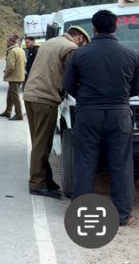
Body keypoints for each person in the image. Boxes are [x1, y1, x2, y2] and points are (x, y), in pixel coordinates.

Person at [64, 10, 139, 227]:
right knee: (121, 164)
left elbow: (69, 86)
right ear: (115, 27)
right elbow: (136, 87)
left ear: (94, 29)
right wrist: (120, 97)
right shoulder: (132, 54)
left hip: (88, 114)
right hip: (119, 114)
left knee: (85, 163)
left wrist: (87, 99)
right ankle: (123, 216)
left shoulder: (80, 54)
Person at [23, 26, 90, 199]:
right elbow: (73, 76)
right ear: (80, 38)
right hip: (45, 98)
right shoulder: (70, 48)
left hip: (31, 95)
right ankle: (37, 184)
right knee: (42, 143)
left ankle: (46, 180)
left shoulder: (51, 42)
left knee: (38, 139)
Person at [0, 34, 25, 121]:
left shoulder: (12, 51)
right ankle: (8, 111)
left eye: (7, 41)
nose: (6, 42)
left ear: (10, 42)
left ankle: (19, 115)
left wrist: (6, 74)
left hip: (14, 77)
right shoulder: (21, 50)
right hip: (19, 76)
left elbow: (10, 66)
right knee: (10, 95)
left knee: (14, 96)